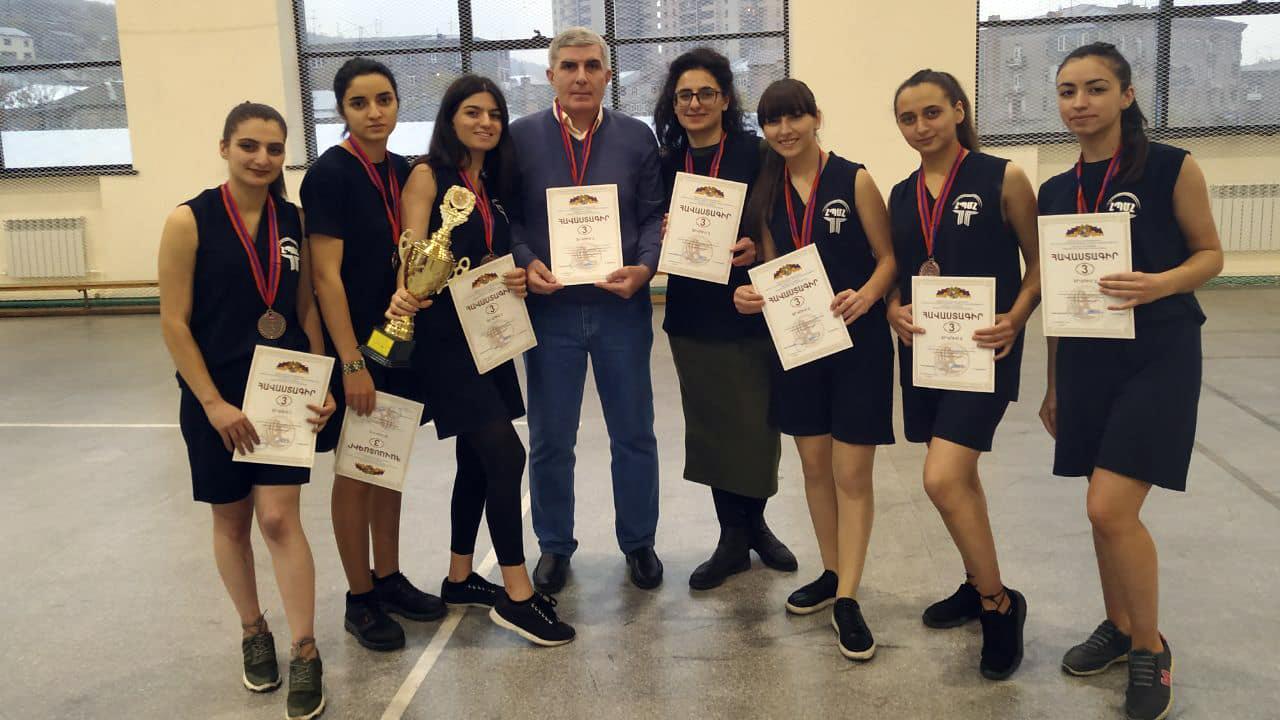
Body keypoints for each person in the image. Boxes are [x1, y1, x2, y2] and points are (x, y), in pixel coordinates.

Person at [1039, 42, 1222, 720]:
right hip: (1087, 358)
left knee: (1109, 508)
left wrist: (1159, 284)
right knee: (1099, 503)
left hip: (1159, 354)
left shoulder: (1172, 166)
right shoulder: (1056, 191)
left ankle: (1150, 647)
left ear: (1126, 94)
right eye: (1067, 91)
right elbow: (1059, 294)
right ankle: (1117, 626)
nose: (1079, 102)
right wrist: (1053, 384)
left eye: (1094, 88)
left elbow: (1211, 255)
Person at [385, 74, 575, 646]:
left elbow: (485, 256)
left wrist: (510, 276)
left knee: (475, 459)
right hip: (444, 343)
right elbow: (412, 250)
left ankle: (460, 577)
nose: (485, 122)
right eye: (472, 112)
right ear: (450, 118)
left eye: (494, 114)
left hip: (488, 335)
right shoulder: (428, 174)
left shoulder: (488, 183)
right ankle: (517, 593)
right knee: (505, 455)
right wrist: (403, 289)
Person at [158, 102, 331, 720]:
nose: (262, 158)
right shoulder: (189, 220)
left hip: (281, 394)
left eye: (274, 149)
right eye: (249, 146)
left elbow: (304, 306)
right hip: (216, 398)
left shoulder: (293, 219)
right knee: (231, 522)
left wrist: (321, 378)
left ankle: (305, 649)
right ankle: (253, 629)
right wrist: (212, 403)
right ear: (225, 148)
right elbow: (174, 322)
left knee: (280, 520)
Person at [734, 79, 896, 661]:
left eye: (794, 117)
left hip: (858, 344)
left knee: (852, 474)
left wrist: (868, 295)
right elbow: (774, 268)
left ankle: (848, 597)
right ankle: (831, 572)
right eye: (773, 121)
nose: (784, 130)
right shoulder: (766, 191)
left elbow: (889, 259)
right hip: (800, 345)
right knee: (814, 467)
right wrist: (750, 296)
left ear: (815, 118)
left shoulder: (854, 179)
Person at [886, 69, 1040, 680]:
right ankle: (978, 583)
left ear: (957, 110)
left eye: (931, 112)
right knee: (963, 479)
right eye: (908, 118)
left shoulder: (1004, 177)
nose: (920, 126)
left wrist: (1016, 318)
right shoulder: (901, 194)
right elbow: (898, 269)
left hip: (985, 350)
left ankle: (1000, 605)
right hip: (926, 353)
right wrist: (894, 307)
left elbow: (1040, 264)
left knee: (942, 478)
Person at [507, 27, 666, 593]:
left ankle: (639, 542)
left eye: (591, 66)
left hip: (621, 307)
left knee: (634, 432)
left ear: (607, 75)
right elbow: (509, 217)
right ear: (551, 75)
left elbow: (652, 215)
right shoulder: (520, 138)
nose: (581, 76)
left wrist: (645, 268)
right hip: (550, 311)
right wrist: (525, 260)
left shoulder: (636, 137)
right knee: (552, 437)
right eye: (569, 67)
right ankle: (554, 545)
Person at [303, 57, 444, 652]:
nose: (374, 112)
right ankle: (359, 597)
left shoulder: (403, 171)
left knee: (387, 464)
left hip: (401, 344)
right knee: (355, 472)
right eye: (359, 103)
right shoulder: (329, 175)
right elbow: (325, 278)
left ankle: (388, 577)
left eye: (384, 100)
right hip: (357, 348)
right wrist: (351, 363)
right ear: (342, 109)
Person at [651, 47, 796, 590]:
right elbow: (644, 223)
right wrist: (658, 234)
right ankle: (732, 537)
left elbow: (784, 220)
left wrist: (757, 246)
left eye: (705, 93)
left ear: (726, 99)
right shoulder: (666, 162)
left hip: (750, 308)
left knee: (757, 425)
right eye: (685, 95)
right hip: (691, 313)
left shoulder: (757, 154)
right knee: (712, 426)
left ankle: (755, 525)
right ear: (674, 103)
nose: (694, 103)